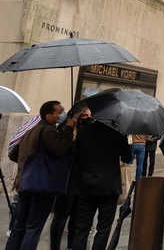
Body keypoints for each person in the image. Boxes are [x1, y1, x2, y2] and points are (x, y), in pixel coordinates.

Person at [6, 101, 78, 250]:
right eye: (60, 112)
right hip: (42, 186)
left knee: (19, 226)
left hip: (26, 183)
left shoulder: (32, 130)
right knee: (33, 227)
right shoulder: (48, 131)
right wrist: (69, 128)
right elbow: (60, 149)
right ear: (48, 115)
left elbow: (14, 154)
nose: (62, 114)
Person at [70, 116, 132, 250]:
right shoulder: (117, 134)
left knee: (81, 228)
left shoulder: (84, 132)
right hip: (109, 187)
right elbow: (128, 157)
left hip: (86, 185)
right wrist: (124, 138)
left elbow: (75, 156)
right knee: (103, 229)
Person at [49, 105, 92, 250]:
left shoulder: (86, 131)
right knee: (60, 218)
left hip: (80, 181)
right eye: (84, 116)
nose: (87, 119)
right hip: (65, 181)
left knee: (76, 218)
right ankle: (54, 246)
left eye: (88, 116)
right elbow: (61, 151)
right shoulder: (64, 129)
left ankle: (71, 246)